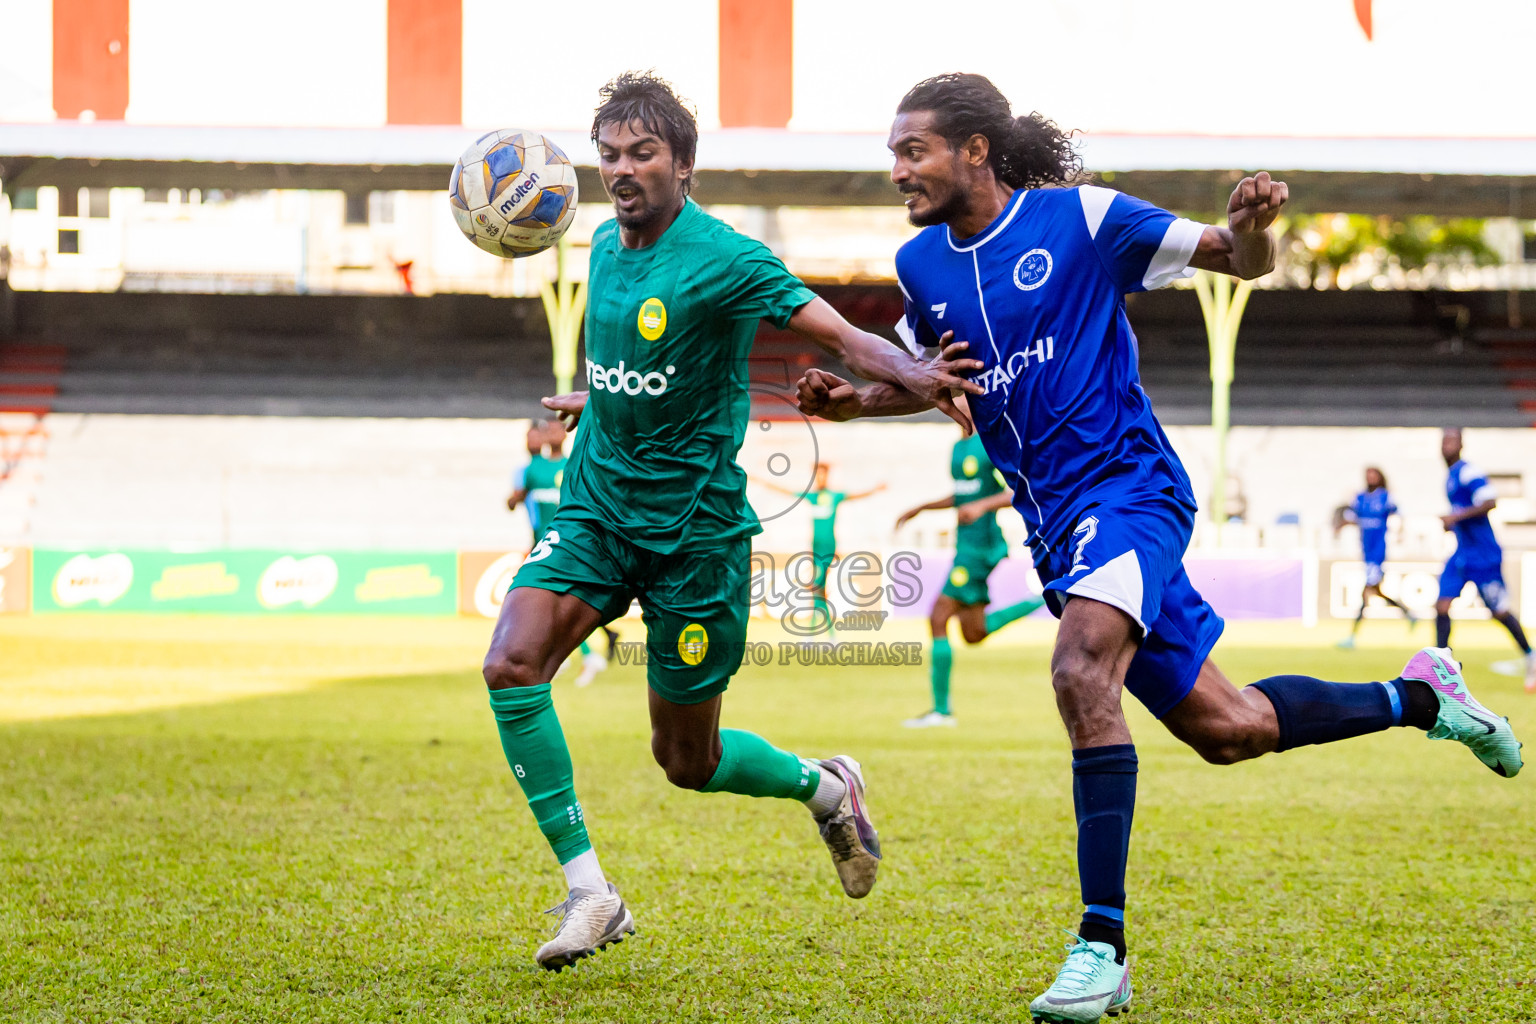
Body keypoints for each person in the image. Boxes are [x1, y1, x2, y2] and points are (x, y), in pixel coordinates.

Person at [794, 73, 1523, 1023]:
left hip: (1130, 491)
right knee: (1230, 728)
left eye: (911, 150)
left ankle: (1101, 947)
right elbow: (930, 376)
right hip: (1056, 529)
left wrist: (1252, 228)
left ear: (975, 150)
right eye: (893, 153)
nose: (896, 170)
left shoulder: (1082, 219)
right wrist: (857, 400)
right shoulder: (921, 264)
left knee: (1078, 669)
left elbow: (1237, 258)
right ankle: (1423, 697)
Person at [481, 71, 983, 972]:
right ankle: (592, 892)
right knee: (510, 664)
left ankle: (825, 788)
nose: (621, 170)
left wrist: (915, 374)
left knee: (688, 760)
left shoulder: (728, 257)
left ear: (683, 164)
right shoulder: (602, 244)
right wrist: (602, 401)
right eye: (608, 155)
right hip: (597, 509)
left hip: (695, 538)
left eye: (642, 153)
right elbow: (640, 364)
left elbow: (843, 337)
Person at [894, 422, 1043, 726]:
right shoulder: (958, 447)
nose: (956, 402)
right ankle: (1040, 599)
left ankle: (941, 712)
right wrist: (921, 508)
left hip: (980, 549)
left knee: (938, 617)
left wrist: (982, 507)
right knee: (974, 633)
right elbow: (963, 496)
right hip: (965, 546)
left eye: (962, 399)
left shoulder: (990, 443)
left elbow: (1020, 489)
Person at [507, 420, 619, 686]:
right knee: (551, 602)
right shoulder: (533, 470)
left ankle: (575, 654)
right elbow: (516, 500)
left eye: (556, 430)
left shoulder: (573, 465)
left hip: (569, 545)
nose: (548, 436)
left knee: (555, 601)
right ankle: (581, 652)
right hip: (542, 545)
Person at [1435, 428, 1536, 691]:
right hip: (1462, 553)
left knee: (1499, 611)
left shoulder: (1468, 471)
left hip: (1483, 555)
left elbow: (1490, 501)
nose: (1446, 445)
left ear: (1461, 445)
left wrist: (1455, 518)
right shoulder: (1451, 476)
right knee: (1442, 605)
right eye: (1444, 440)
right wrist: (1453, 524)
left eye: (1452, 440)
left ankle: (1530, 655)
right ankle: (1440, 667)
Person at [753, 462, 885, 634]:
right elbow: (785, 491)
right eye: (818, 474)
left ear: (827, 476)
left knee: (816, 587)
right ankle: (826, 634)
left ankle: (815, 633)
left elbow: (856, 496)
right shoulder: (812, 496)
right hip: (815, 549)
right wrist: (763, 482)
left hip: (828, 549)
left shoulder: (834, 496)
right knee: (818, 589)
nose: (820, 477)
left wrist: (875, 489)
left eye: (823, 474)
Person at [1334, 466, 1415, 649]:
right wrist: (1341, 524)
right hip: (1366, 551)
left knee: (1365, 593)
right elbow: (1353, 517)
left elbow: (1399, 513)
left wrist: (1401, 531)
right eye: (1368, 475)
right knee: (1376, 591)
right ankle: (1408, 613)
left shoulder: (1385, 497)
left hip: (1378, 552)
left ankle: (1352, 636)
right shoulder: (1360, 498)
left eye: (1373, 475)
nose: (1370, 478)